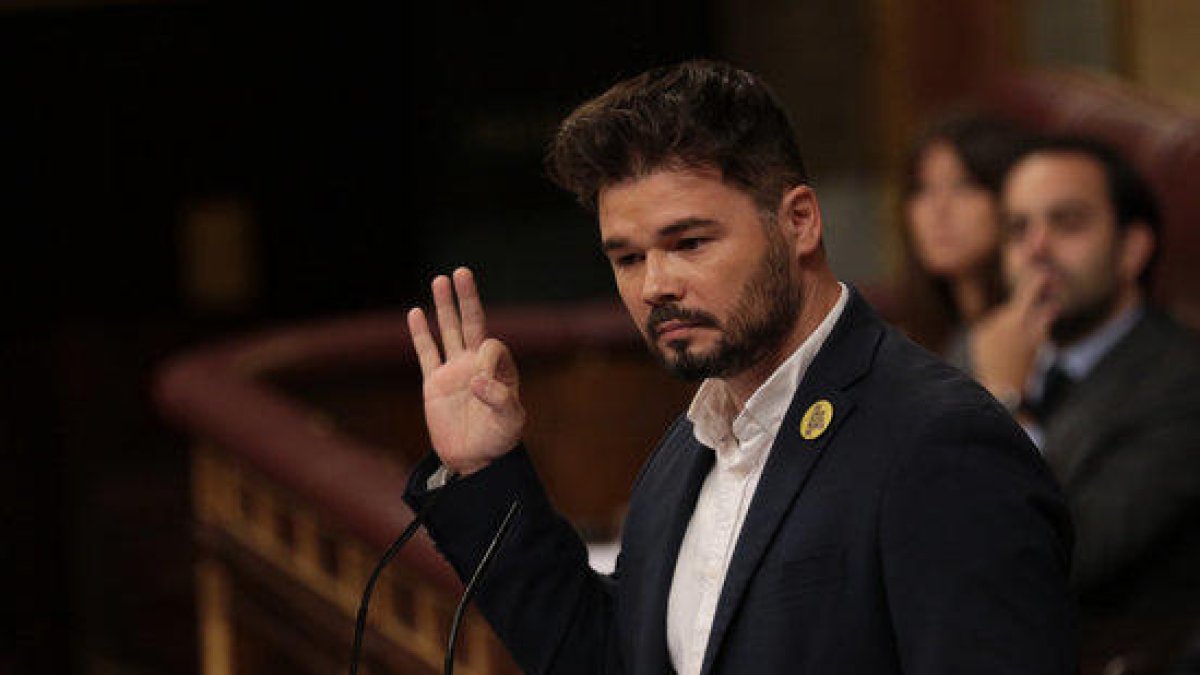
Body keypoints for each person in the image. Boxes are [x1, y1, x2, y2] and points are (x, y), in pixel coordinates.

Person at [403, 60, 1075, 674]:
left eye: (688, 242)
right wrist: (483, 474)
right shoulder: (684, 451)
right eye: (628, 258)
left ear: (800, 222)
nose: (654, 285)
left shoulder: (939, 441)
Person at [975, 135, 1200, 665]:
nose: (1037, 250)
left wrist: (1003, 405)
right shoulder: (981, 343)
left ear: (1132, 249)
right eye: (1018, 229)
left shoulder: (1182, 382)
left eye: (1067, 223)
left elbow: (1063, 559)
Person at [899, 113, 1028, 369]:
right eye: (923, 189)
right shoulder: (913, 339)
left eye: (964, 186)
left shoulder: (1031, 335)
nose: (938, 210)